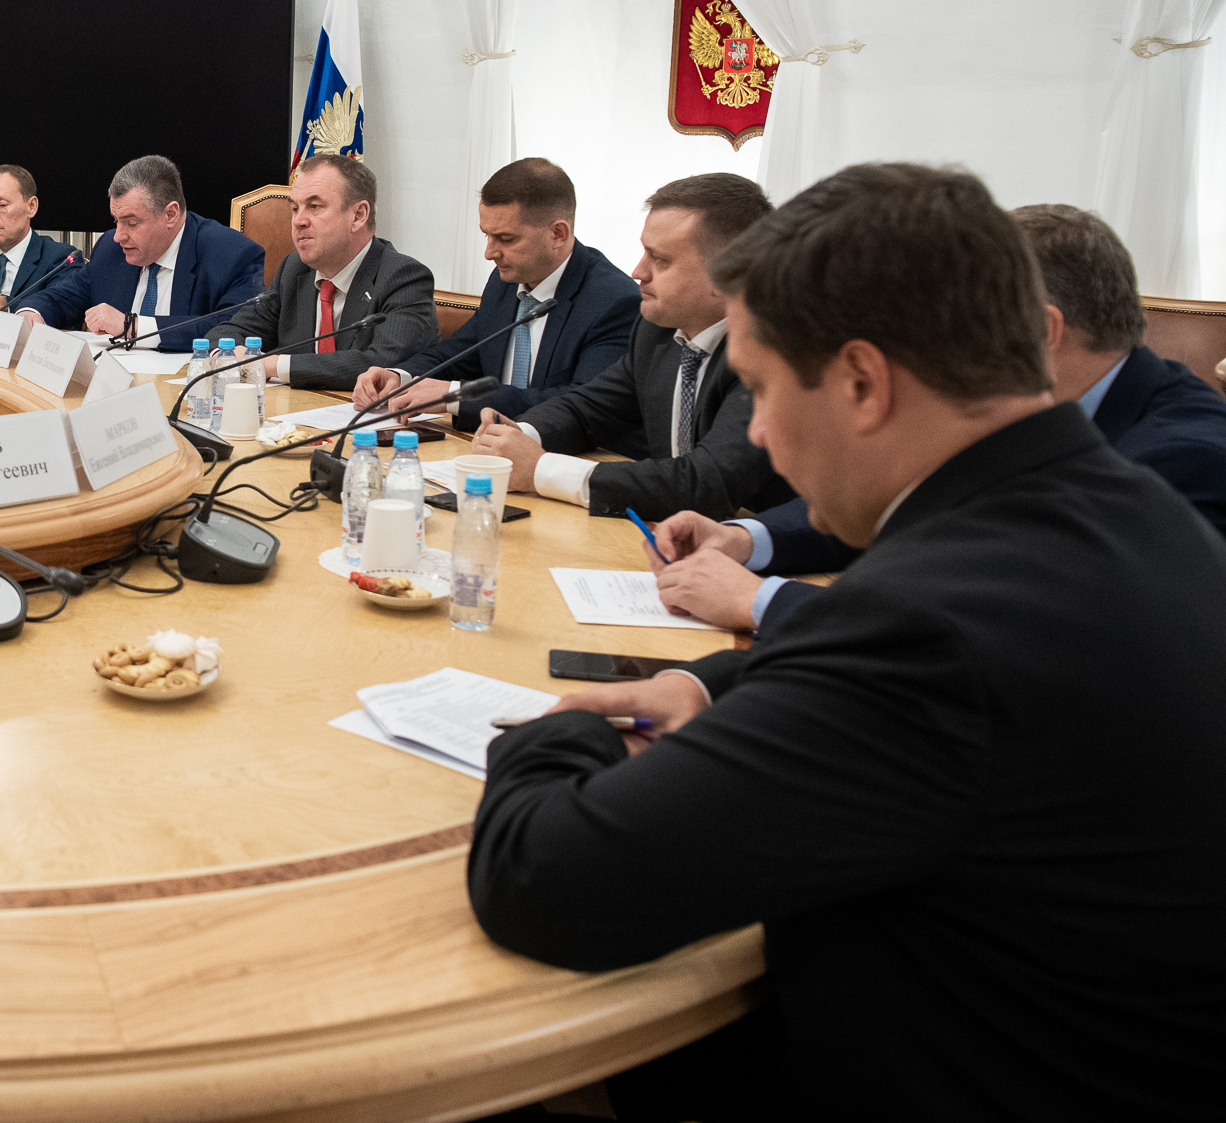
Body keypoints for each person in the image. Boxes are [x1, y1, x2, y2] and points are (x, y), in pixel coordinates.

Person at [466, 163, 1226, 1122]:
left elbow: (540, 879)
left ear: (864, 382)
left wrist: (559, 725)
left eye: (762, 390)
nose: (763, 438)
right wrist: (710, 686)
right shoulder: (1122, 508)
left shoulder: (929, 626)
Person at [652, 201, 1226, 636]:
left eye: (958, 327)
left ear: (1040, 331)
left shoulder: (1184, 460)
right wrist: (743, 540)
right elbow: (902, 499)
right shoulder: (1037, 417)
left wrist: (761, 601)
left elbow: (998, 631)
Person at [468, 173, 788, 521]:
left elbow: (705, 482)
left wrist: (541, 469)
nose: (638, 271)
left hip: (772, 543)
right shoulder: (657, 331)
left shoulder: (773, 352)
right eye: (644, 252)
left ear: (728, 273)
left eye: (660, 260)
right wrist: (518, 435)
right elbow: (588, 409)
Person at [350, 158, 639, 432]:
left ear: (558, 234)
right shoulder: (506, 282)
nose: (489, 253)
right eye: (487, 235)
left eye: (506, 239)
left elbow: (581, 405)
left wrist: (456, 396)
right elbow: (458, 354)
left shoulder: (614, 302)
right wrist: (399, 377)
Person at [214, 153, 438, 391]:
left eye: (314, 207)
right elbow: (227, 333)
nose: (298, 221)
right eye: (295, 208)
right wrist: (224, 355)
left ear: (358, 215)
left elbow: (381, 363)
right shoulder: (294, 269)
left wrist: (271, 364)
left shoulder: (404, 277)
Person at [14, 154, 264, 353]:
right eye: (116, 221)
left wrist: (133, 327)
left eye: (131, 223)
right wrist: (32, 313)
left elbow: (234, 328)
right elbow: (63, 297)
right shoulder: (110, 249)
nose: (118, 235)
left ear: (170, 214)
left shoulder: (230, 254)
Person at [0, 164, 77, 311]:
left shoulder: (60, 257)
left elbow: (64, 308)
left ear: (31, 206)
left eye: (2, 205)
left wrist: (2, 304)